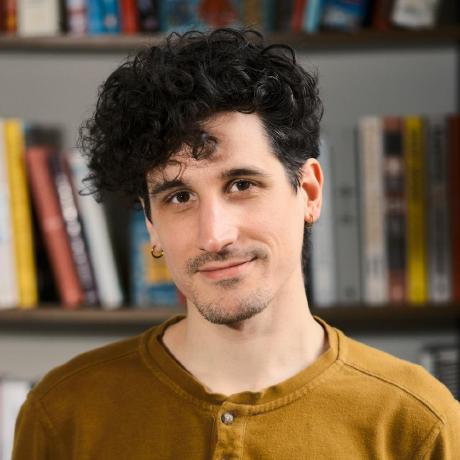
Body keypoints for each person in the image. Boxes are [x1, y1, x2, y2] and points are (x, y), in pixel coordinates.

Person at [13, 28, 460, 459]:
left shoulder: (417, 422)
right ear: (151, 223)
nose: (214, 235)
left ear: (309, 192)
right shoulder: (63, 412)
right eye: (179, 197)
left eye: (242, 185)